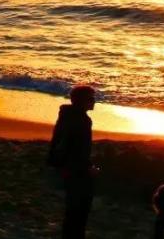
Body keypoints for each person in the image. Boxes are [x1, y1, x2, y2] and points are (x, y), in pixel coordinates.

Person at [47, 85, 97, 239]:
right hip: (75, 169)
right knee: (80, 209)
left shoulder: (66, 115)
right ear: (82, 101)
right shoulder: (82, 120)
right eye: (90, 98)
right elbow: (78, 148)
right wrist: (88, 167)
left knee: (72, 209)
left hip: (67, 166)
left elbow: (58, 141)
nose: (94, 101)